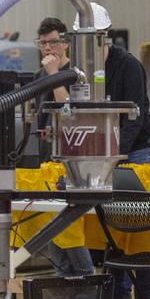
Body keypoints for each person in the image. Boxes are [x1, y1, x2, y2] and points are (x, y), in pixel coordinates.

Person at [70, 3, 150, 299]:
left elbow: (134, 117)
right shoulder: (81, 69)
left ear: (104, 36)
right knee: (112, 228)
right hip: (103, 154)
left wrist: (114, 155)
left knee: (142, 229)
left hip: (135, 151)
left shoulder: (128, 67)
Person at [34, 18, 95, 281]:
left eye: (53, 42)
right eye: (43, 43)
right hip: (46, 157)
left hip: (72, 158)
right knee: (50, 222)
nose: (48, 48)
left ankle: (85, 276)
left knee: (68, 225)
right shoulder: (38, 76)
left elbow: (71, 113)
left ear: (66, 43)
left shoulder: (77, 74)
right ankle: (64, 282)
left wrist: (54, 76)